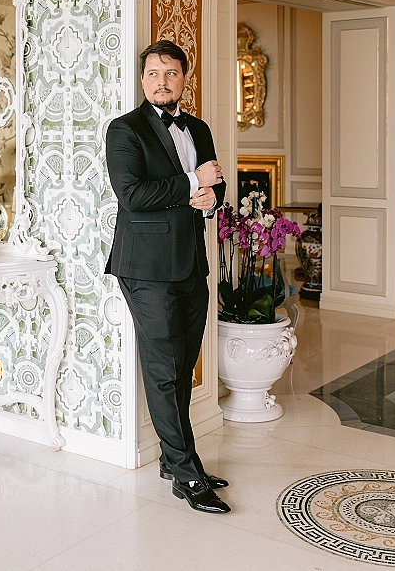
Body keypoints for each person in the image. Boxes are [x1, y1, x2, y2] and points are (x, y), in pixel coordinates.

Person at [105, 39, 231, 515]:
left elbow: (214, 187)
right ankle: (187, 471)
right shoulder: (125, 129)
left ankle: (175, 460)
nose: (162, 80)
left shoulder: (197, 127)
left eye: (171, 73)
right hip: (145, 268)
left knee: (182, 365)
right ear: (143, 80)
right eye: (154, 73)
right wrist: (192, 185)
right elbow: (132, 195)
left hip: (189, 263)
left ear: (184, 79)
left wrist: (210, 198)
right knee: (162, 370)